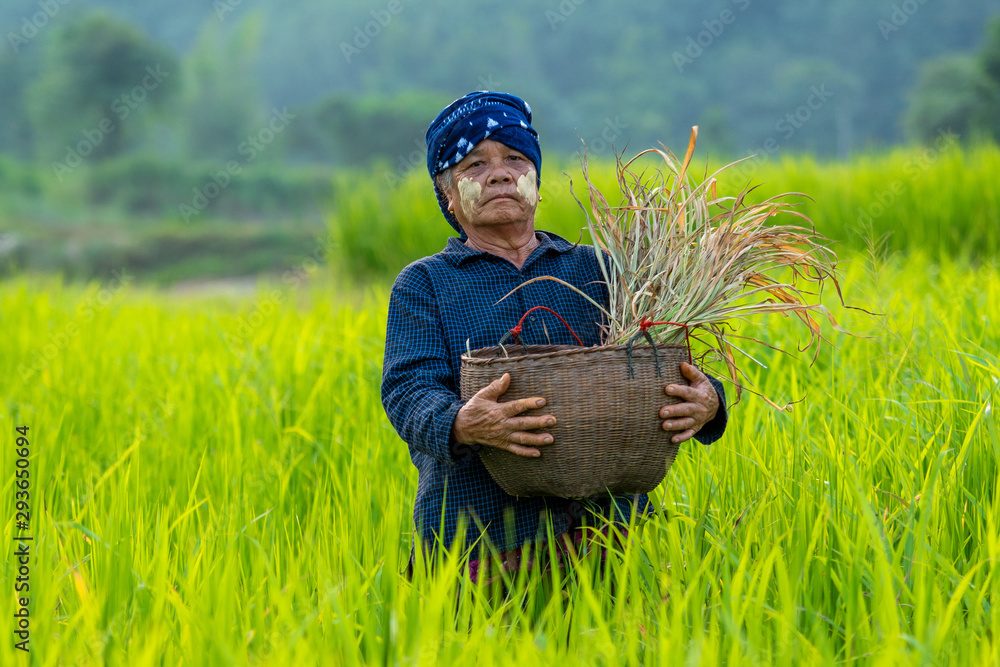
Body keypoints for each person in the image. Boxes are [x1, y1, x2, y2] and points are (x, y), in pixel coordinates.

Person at [381, 91, 728, 584]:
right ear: (449, 197)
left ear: (536, 184)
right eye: (474, 164)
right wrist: (461, 423)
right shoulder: (426, 284)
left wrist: (708, 401)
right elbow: (406, 389)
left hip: (612, 529)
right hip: (481, 536)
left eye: (515, 158)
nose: (499, 173)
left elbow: (661, 362)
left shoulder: (601, 269)